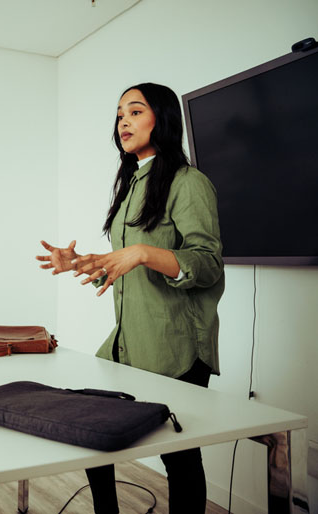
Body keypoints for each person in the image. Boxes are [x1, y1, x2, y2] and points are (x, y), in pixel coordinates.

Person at [36, 83, 224, 513]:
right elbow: (124, 261)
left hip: (175, 345)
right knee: (89, 427)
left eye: (135, 111)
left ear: (162, 117)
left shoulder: (189, 182)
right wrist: (83, 261)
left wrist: (142, 252)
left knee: (179, 457)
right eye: (120, 113)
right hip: (127, 339)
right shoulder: (133, 183)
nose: (123, 120)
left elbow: (207, 263)